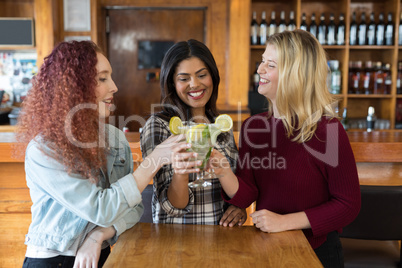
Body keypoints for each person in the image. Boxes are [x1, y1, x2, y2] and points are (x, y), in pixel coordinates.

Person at [17, 41, 183, 268]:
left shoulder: (115, 139)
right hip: (51, 259)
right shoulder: (44, 149)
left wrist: (99, 236)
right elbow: (100, 209)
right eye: (102, 79)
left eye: (110, 77)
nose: (114, 86)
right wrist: (153, 161)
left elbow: (134, 208)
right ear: (73, 87)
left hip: (101, 255)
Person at [209, 30, 361, 267]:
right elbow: (248, 192)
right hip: (267, 247)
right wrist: (222, 170)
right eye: (262, 62)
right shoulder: (254, 127)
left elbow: (347, 205)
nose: (259, 70)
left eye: (270, 65)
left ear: (296, 75)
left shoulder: (328, 131)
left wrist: (284, 222)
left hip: (317, 252)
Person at [140, 39, 246, 226]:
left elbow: (234, 187)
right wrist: (181, 174)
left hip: (221, 242)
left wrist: (239, 206)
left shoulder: (220, 126)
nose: (194, 84)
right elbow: (172, 207)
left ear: (212, 76)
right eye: (184, 78)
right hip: (175, 243)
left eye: (202, 75)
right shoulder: (160, 126)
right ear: (172, 83)